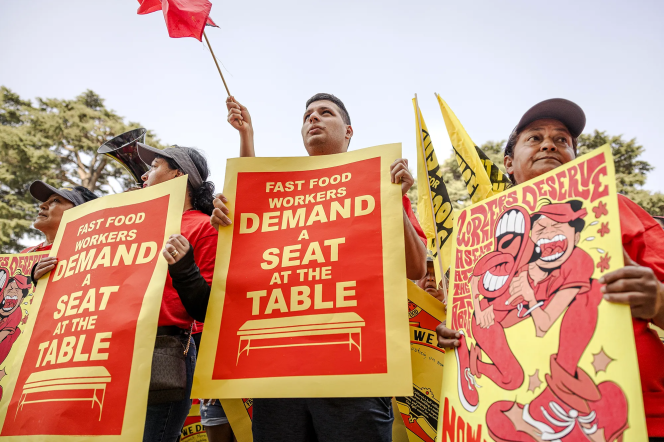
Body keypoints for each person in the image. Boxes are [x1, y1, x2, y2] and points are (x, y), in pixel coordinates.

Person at [436, 98, 664, 441]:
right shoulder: (486, 236)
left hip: (641, 421)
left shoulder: (615, 210)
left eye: (562, 140)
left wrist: (659, 302)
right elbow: (483, 315)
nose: (549, 144)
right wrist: (456, 334)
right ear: (509, 163)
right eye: (535, 137)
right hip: (524, 421)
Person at [211, 93, 428, 442]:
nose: (314, 118)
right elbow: (251, 194)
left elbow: (416, 268)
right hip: (279, 378)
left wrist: (395, 199)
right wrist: (245, 140)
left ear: (348, 131)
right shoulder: (282, 191)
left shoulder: (380, 183)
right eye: (307, 115)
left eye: (325, 113)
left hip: (354, 377)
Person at [135, 144, 219, 442]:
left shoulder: (205, 226)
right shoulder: (137, 226)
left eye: (155, 165)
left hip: (165, 350)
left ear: (178, 175)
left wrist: (183, 267)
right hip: (116, 348)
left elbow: (205, 308)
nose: (145, 174)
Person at [24, 182, 98, 279]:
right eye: (46, 200)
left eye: (55, 200)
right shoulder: (24, 255)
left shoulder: (87, 257)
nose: (42, 205)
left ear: (79, 213)